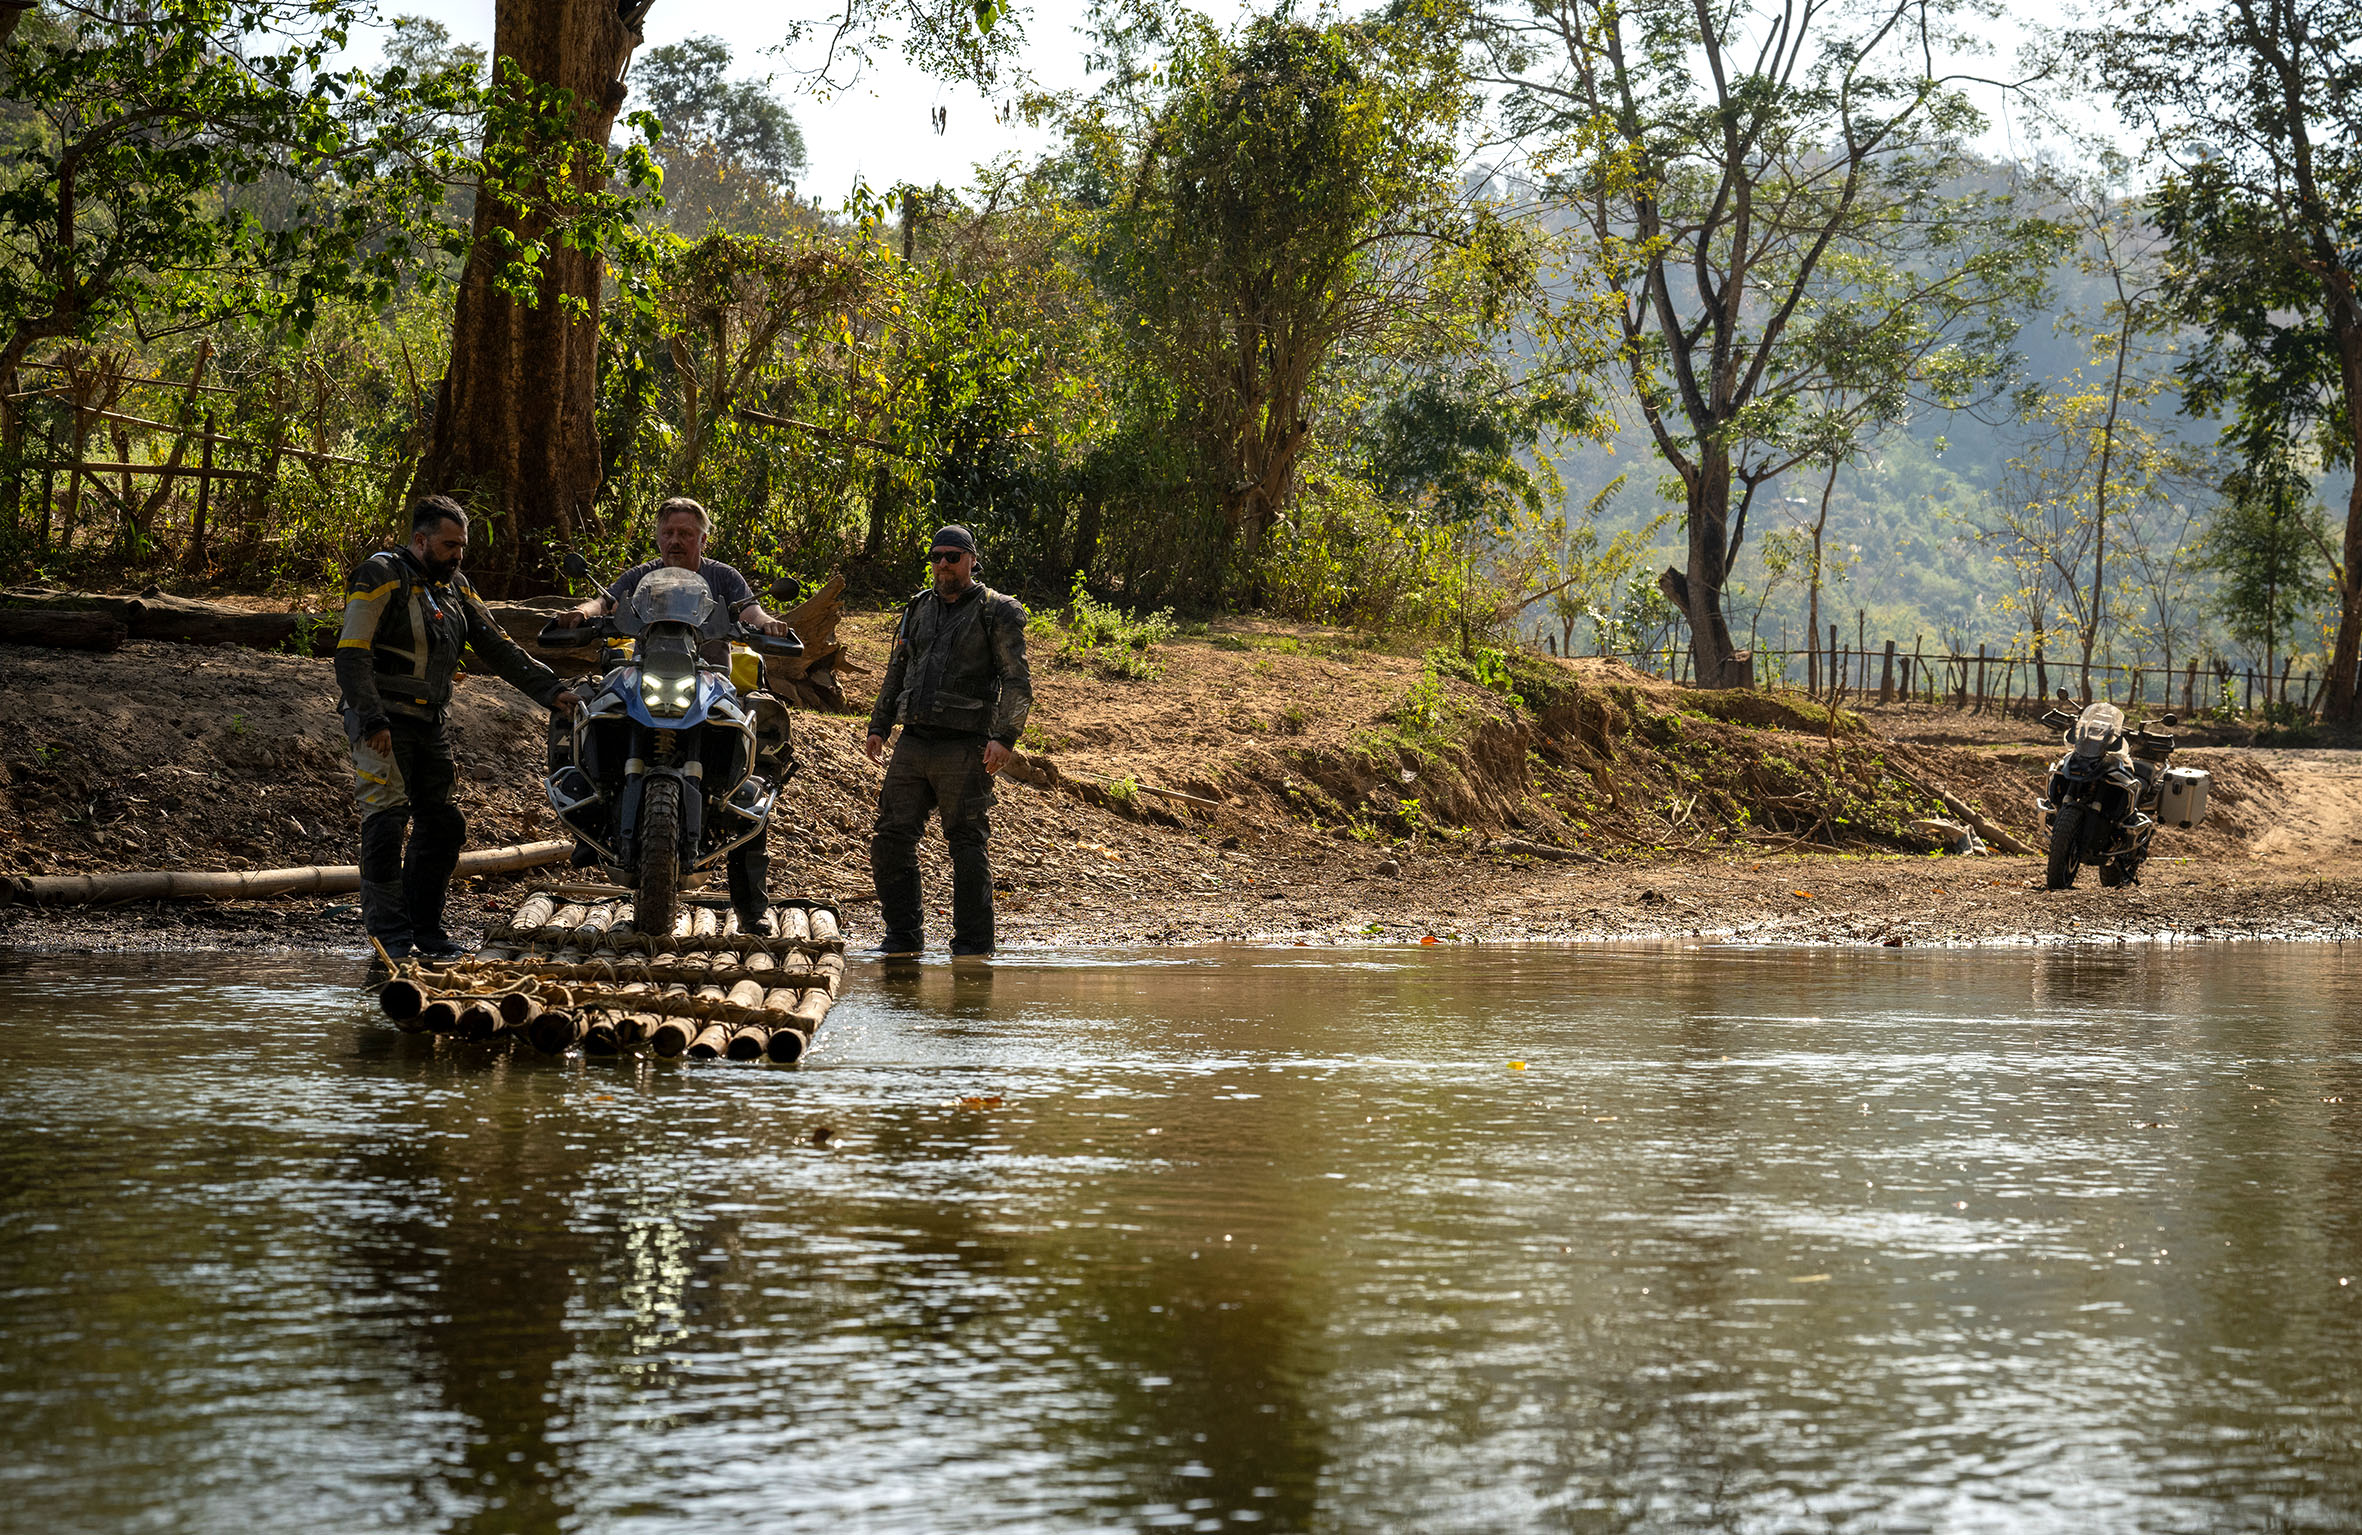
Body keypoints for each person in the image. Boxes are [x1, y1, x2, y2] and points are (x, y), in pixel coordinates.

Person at [336, 496, 581, 960]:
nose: (458, 555)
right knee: (386, 823)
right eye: (449, 546)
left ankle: (425, 931)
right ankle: (389, 937)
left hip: (430, 722)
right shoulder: (380, 573)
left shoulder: (456, 587)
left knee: (444, 825)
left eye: (462, 547)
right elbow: (352, 653)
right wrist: (371, 718)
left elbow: (499, 646)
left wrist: (552, 692)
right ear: (421, 540)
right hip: (382, 720)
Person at [552, 495, 791, 932]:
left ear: (703, 538)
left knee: (756, 769)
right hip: (645, 675)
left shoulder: (723, 576)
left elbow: (751, 611)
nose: (675, 541)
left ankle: (753, 910)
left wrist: (767, 623)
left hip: (709, 679)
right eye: (668, 532)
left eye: (686, 533)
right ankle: (588, 804)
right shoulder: (643, 575)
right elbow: (603, 603)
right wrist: (580, 613)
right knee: (580, 711)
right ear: (658, 536)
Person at [864, 525, 1032, 961]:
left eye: (953, 557)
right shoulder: (917, 607)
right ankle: (903, 936)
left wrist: (1004, 738)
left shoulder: (999, 611)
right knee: (890, 837)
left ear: (972, 560)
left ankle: (973, 948)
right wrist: (879, 725)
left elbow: (1017, 681)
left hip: (966, 745)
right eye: (937, 556)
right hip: (914, 741)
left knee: (966, 842)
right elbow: (896, 668)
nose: (943, 564)